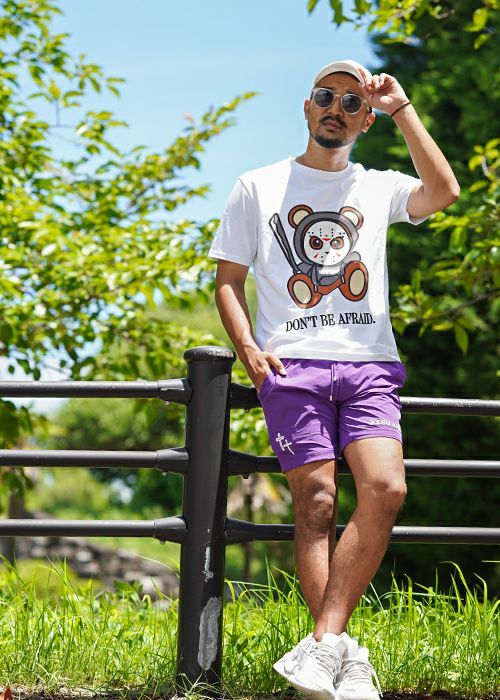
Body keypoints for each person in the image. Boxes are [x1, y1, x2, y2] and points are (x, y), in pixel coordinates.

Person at [208, 59, 459, 700]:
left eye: (352, 103)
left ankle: (324, 647)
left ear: (365, 121)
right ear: (307, 106)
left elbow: (444, 192)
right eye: (326, 96)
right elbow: (228, 280)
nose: (336, 109)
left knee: (386, 487)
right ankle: (338, 661)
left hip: (370, 364)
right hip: (292, 367)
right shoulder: (258, 186)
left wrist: (402, 108)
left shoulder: (377, 187)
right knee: (317, 503)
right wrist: (247, 350)